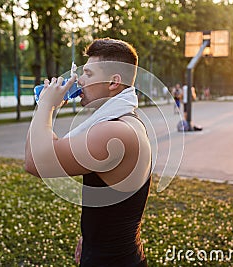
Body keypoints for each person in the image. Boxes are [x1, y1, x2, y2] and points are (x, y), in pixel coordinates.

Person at [25, 38, 151, 267]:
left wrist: (45, 105)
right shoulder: (126, 119)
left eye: (89, 74)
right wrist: (92, 237)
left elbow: (35, 162)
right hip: (118, 254)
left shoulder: (113, 133)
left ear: (113, 82)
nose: (79, 80)